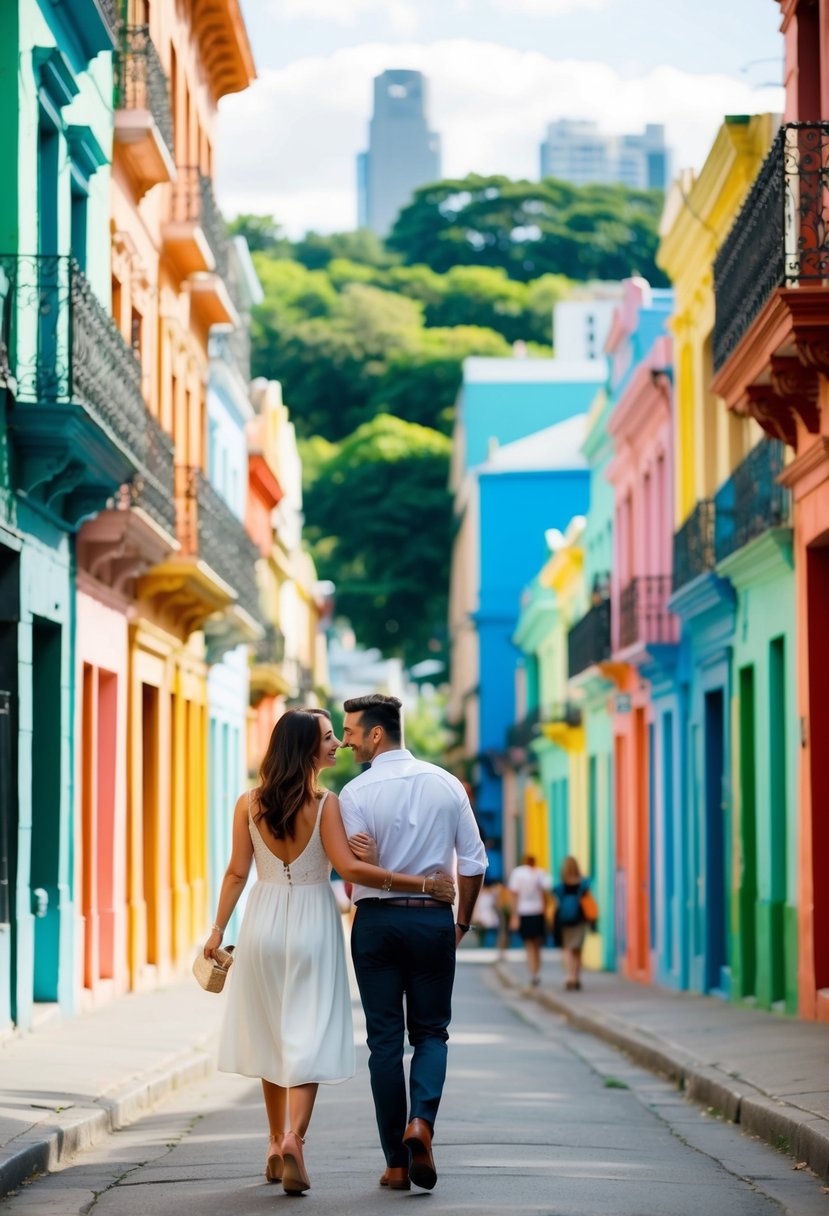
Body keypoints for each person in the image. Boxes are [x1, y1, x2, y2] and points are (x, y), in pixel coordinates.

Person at [203, 708, 456, 1196]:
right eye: (326, 738)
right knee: (309, 1034)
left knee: (270, 1033)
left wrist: (217, 930)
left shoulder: (248, 803)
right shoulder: (325, 804)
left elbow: (236, 872)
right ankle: (295, 1138)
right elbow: (351, 871)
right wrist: (424, 884)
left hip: (262, 923)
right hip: (313, 925)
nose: (337, 742)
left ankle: (274, 1142)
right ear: (305, 748)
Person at [339, 694, 487, 1193]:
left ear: (376, 733)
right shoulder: (447, 784)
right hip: (431, 921)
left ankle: (396, 1165)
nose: (346, 741)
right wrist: (461, 923)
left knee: (384, 1041)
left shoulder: (354, 794)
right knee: (431, 1034)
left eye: (351, 732)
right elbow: (474, 862)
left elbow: (355, 872)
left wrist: (375, 864)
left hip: (376, 925)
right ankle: (421, 1122)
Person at [507, 854, 552, 988]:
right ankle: (536, 971)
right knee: (537, 945)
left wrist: (514, 915)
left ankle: (533, 972)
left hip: (524, 912)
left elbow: (513, 895)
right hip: (537, 911)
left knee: (529, 945)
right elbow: (546, 894)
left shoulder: (518, 873)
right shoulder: (541, 873)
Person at [552, 854, 596, 991]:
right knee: (577, 950)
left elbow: (556, 904)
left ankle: (569, 976)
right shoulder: (583, 885)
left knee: (568, 949)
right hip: (579, 920)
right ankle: (576, 977)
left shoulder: (560, 887)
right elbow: (588, 903)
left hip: (564, 921)